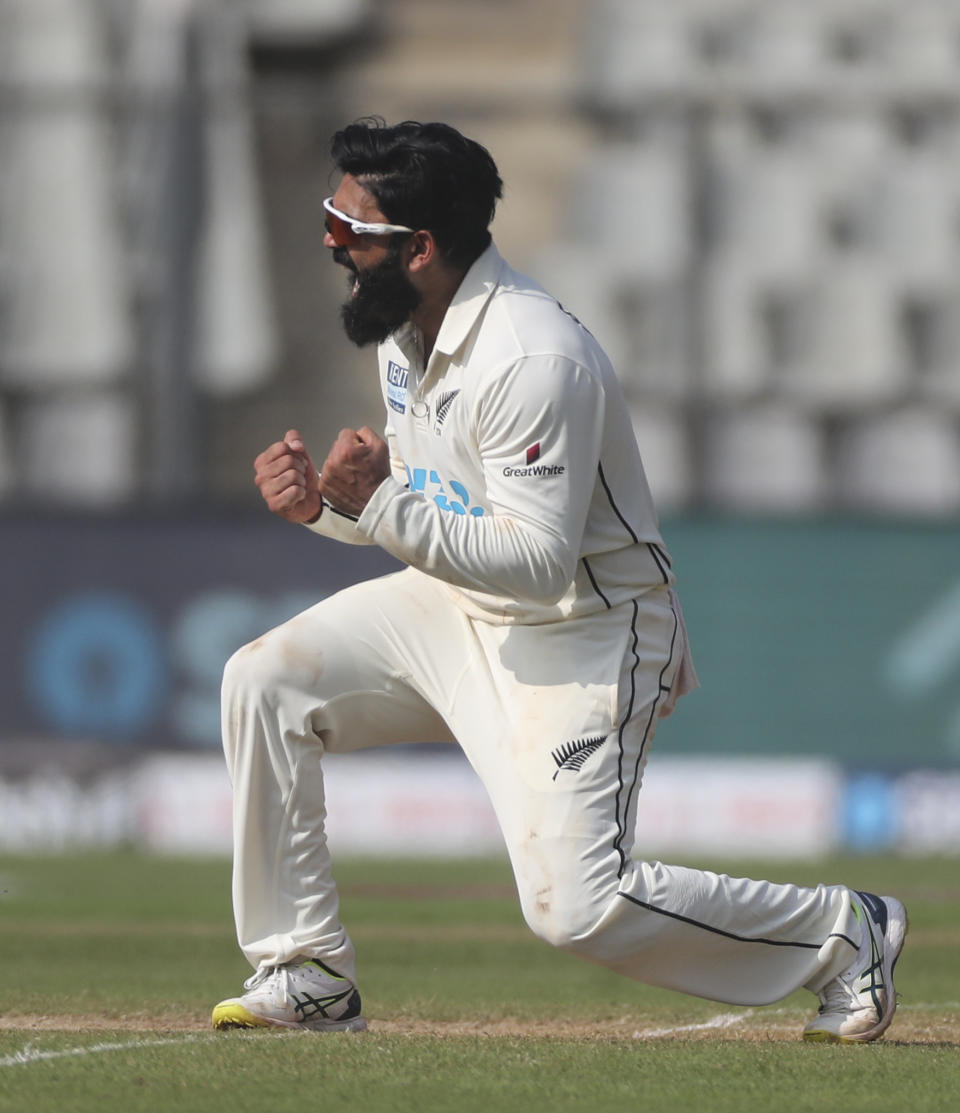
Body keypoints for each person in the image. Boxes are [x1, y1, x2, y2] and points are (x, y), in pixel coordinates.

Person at [211, 118, 907, 1042]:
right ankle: (305, 970)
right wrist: (325, 508)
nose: (332, 243)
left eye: (351, 230)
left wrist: (377, 507)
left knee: (574, 909)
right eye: (332, 218)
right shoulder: (405, 334)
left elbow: (537, 567)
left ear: (419, 249)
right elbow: (441, 514)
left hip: (587, 627)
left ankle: (842, 931)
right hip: (459, 610)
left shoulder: (532, 356)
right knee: (264, 680)